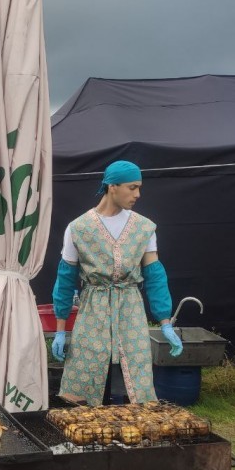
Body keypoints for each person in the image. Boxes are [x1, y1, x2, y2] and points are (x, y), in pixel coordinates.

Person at [50, 160, 183, 405]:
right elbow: (65, 280)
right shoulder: (78, 228)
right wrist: (60, 329)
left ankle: (137, 424)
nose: (138, 194)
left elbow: (154, 276)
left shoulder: (144, 227)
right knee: (85, 373)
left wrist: (165, 322)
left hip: (130, 309)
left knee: (136, 374)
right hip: (93, 311)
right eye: (132, 187)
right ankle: (83, 423)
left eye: (139, 187)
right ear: (112, 186)